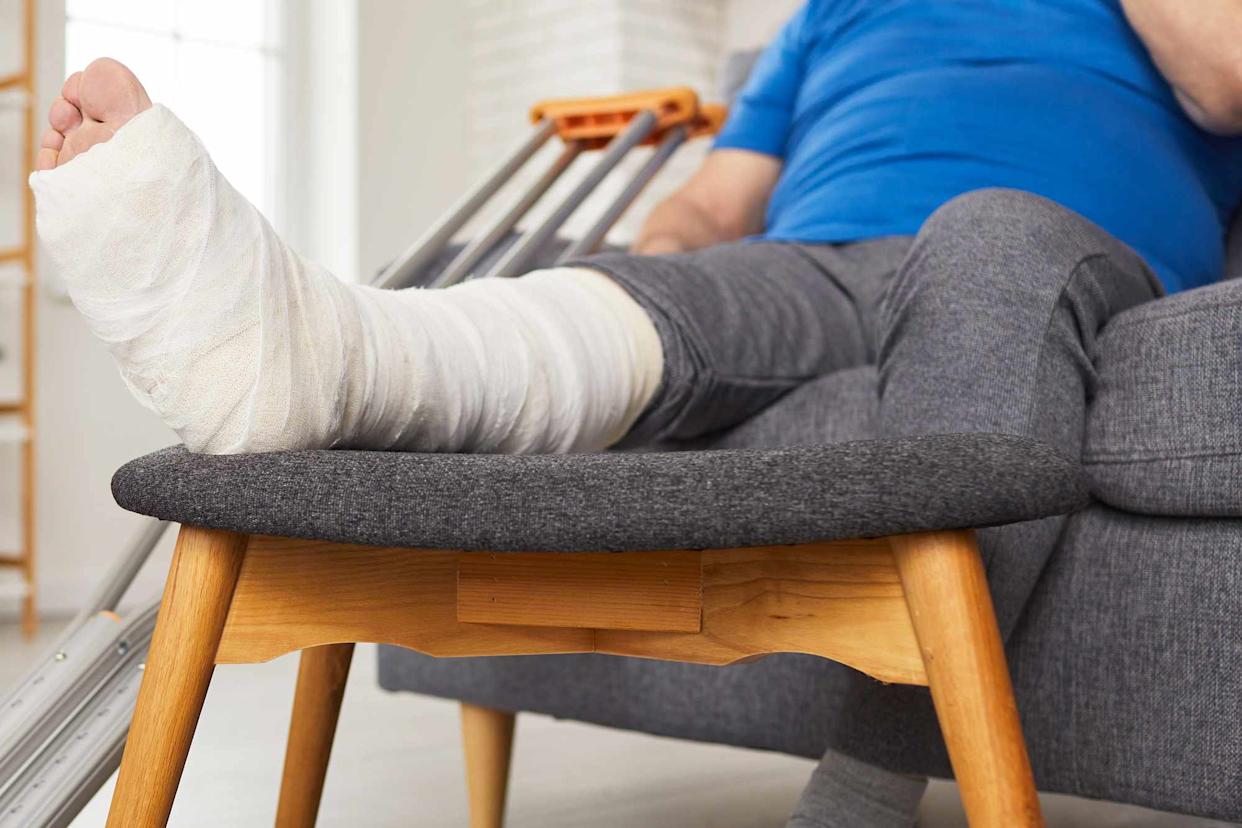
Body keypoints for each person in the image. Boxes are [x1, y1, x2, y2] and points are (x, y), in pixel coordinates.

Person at [29, 2, 1242, 826]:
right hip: (811, 261)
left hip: (1054, 250)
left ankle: (864, 793)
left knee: (985, 232)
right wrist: (651, 268)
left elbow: (1226, 75)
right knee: (630, 294)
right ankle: (316, 354)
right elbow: (713, 204)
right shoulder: (833, 13)